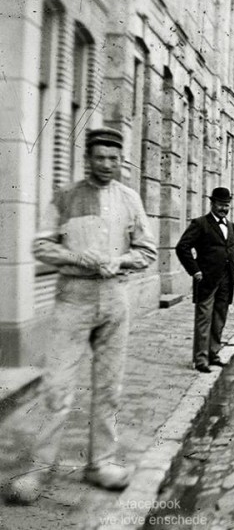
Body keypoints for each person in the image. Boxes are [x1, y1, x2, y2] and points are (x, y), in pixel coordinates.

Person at [2, 127, 157, 504]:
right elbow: (41, 245)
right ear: (87, 159)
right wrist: (76, 257)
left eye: (113, 158)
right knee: (57, 386)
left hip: (114, 298)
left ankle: (101, 463)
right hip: (73, 299)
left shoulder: (129, 199)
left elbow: (147, 250)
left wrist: (120, 260)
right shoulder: (65, 197)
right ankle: (38, 467)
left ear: (121, 161)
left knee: (110, 388)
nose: (106, 164)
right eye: (99, 157)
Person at [176, 187, 234, 374]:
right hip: (206, 279)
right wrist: (195, 271)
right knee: (204, 319)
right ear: (212, 204)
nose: (224, 208)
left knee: (220, 317)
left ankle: (214, 353)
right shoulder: (200, 224)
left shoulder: (230, 226)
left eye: (227, 205)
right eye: (221, 204)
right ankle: (200, 359)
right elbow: (182, 247)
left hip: (226, 280)